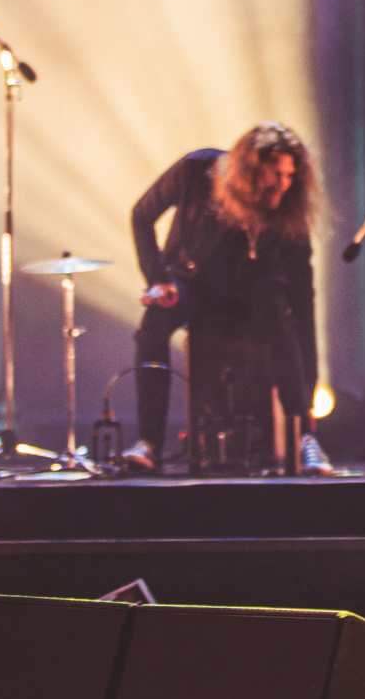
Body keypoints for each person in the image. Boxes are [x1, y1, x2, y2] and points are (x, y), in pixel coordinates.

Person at [127, 123, 320, 474]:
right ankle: (149, 444)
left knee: (283, 320)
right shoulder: (195, 170)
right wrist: (157, 280)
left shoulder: (288, 208)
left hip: (254, 294)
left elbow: (302, 293)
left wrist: (311, 376)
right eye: (275, 174)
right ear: (249, 168)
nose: (283, 184)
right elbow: (142, 214)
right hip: (192, 284)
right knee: (153, 322)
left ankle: (306, 440)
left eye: (291, 175)